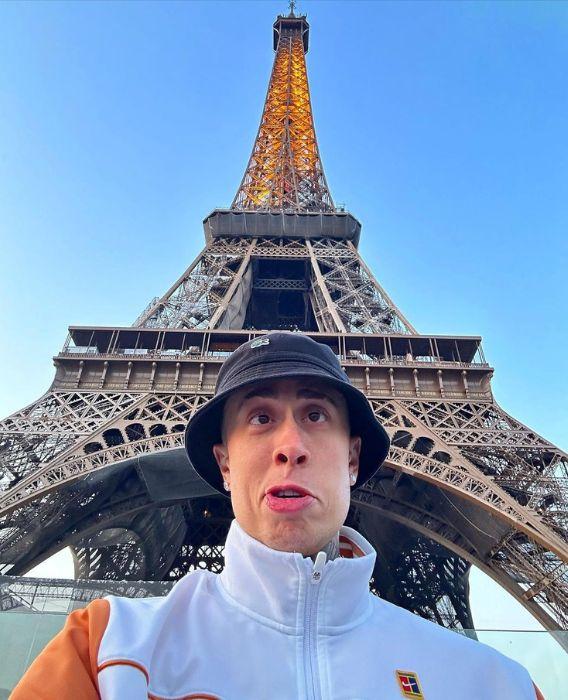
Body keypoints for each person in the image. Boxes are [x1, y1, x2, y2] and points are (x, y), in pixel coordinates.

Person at [11, 332, 544, 699]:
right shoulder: (104, 649)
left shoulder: (494, 683)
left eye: (315, 415)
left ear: (353, 457)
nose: (290, 446)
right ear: (223, 462)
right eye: (260, 418)